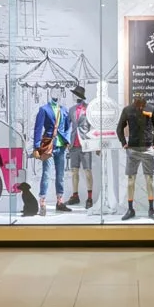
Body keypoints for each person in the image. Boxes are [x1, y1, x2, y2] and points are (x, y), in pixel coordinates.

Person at [116, 93, 154, 221]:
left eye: (142, 104)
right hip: (133, 149)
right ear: (134, 101)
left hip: (148, 149)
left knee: (149, 180)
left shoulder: (152, 109)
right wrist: (124, 143)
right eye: (137, 103)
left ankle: (151, 209)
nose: (140, 106)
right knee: (131, 180)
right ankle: (130, 209)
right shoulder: (127, 110)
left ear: (144, 102)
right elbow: (119, 128)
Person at [32, 87, 72, 217]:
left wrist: (67, 140)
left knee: (60, 175)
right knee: (46, 174)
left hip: (61, 146)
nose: (56, 94)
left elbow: (68, 127)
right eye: (54, 91)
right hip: (48, 145)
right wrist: (36, 146)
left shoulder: (64, 110)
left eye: (58, 91)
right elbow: (38, 128)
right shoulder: (44, 109)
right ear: (50, 93)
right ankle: (42, 202)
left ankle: (59, 201)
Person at [65, 85, 94, 210]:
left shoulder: (88, 109)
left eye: (75, 94)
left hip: (85, 144)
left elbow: (93, 126)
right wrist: (67, 141)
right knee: (74, 171)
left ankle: (90, 197)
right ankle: (75, 195)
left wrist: (95, 143)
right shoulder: (71, 110)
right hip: (73, 145)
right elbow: (67, 127)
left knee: (88, 171)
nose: (73, 96)